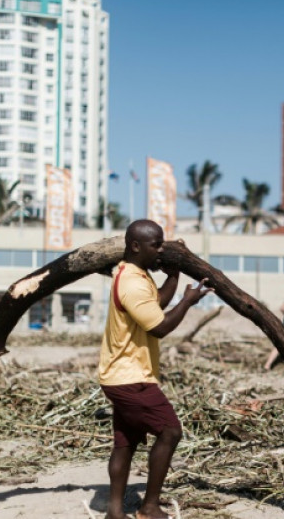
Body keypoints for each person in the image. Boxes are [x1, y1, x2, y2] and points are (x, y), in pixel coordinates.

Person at [99, 220, 212, 519]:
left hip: (119, 374)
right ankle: (148, 507)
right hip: (131, 378)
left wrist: (174, 276)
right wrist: (187, 302)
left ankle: (114, 512)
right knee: (170, 431)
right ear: (136, 246)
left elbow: (156, 303)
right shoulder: (133, 282)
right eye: (156, 244)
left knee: (125, 443)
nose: (162, 249)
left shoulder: (133, 274)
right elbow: (159, 327)